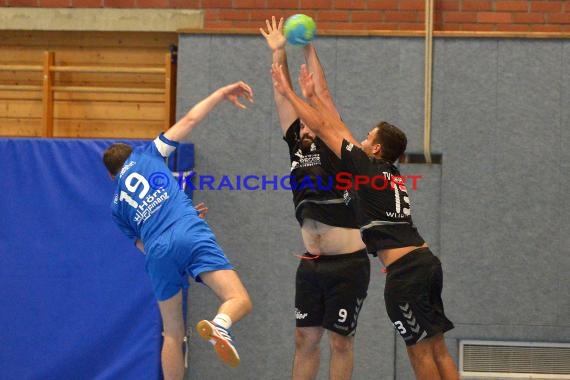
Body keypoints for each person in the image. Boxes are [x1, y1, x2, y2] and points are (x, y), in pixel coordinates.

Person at [271, 63, 459, 380]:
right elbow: (329, 110)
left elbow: (326, 124)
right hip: (426, 262)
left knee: (419, 351)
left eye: (367, 136)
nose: (359, 138)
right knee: (438, 347)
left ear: (376, 148)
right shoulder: (390, 174)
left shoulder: (365, 167)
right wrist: (310, 67)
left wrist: (290, 93)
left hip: (405, 271)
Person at [102, 81, 254, 379]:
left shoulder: (116, 207)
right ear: (131, 155)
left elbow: (143, 244)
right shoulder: (147, 155)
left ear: (111, 176)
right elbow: (190, 120)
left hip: (157, 249)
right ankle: (221, 325)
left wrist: (167, 228)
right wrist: (221, 93)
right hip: (188, 230)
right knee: (239, 299)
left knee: (172, 333)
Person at [261, 17, 370, 380]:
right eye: (302, 122)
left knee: (340, 342)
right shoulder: (297, 141)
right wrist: (279, 52)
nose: (305, 124)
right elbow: (281, 92)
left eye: (311, 120)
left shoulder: (337, 144)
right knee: (303, 339)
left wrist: (308, 46)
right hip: (312, 262)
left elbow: (322, 95)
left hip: (347, 263)